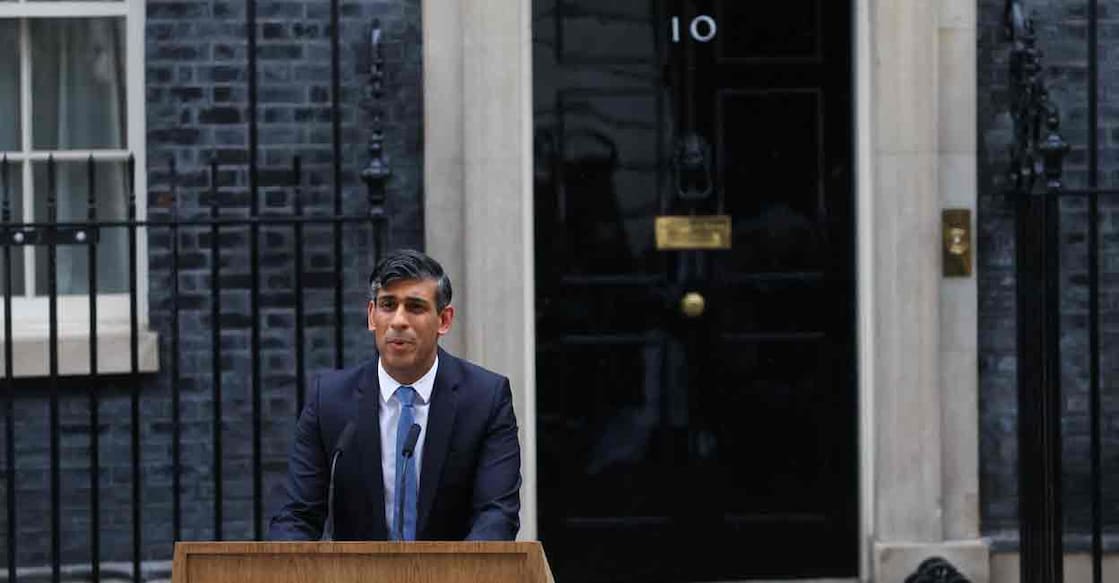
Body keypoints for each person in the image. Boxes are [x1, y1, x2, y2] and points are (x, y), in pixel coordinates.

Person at [269, 249, 521, 541]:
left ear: (444, 320)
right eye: (388, 305)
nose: (399, 321)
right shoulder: (330, 400)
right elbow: (297, 516)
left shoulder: (485, 398)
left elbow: (496, 515)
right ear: (371, 316)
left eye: (415, 307)